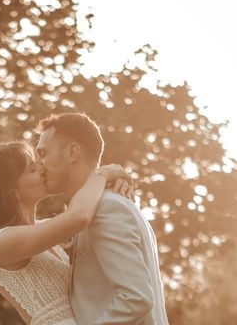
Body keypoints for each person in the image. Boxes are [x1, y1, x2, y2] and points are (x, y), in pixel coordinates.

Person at [0, 140, 134, 325]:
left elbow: (85, 211)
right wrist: (103, 173)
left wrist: (113, 183)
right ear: (11, 191)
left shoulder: (44, 228)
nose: (41, 169)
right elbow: (79, 216)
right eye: (31, 169)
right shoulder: (1, 242)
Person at [36, 112, 169, 325]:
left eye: (43, 153)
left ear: (72, 153)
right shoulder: (96, 207)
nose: (39, 165)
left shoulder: (106, 208)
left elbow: (136, 299)